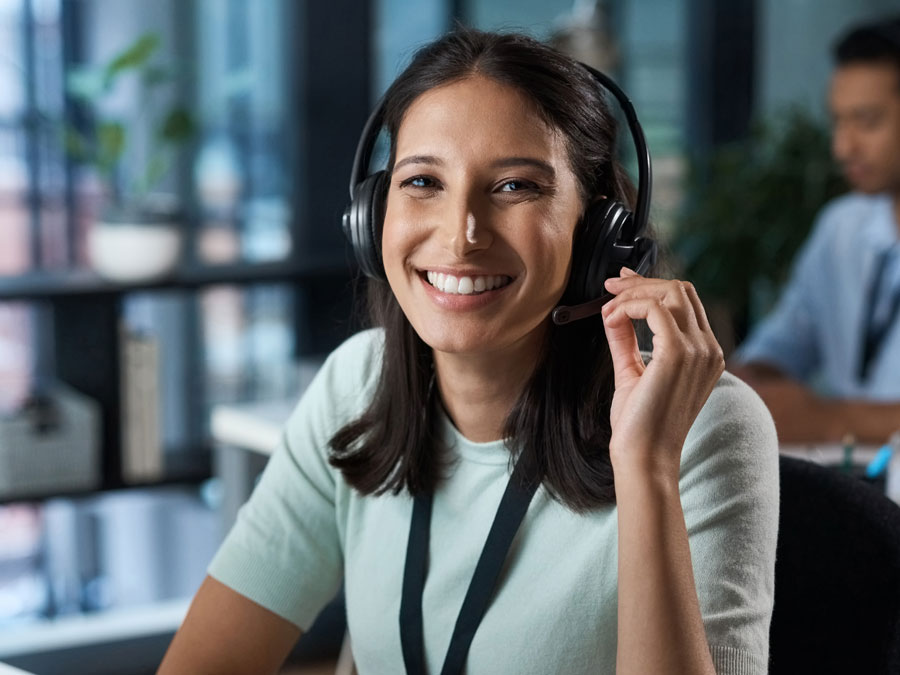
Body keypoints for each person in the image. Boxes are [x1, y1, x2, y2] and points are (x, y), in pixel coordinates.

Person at [158, 28, 777, 675]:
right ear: (373, 217)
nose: (460, 236)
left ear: (597, 233)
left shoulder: (705, 429)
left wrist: (647, 464)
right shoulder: (357, 384)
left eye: (514, 187)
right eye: (423, 180)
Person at [730, 15, 900, 445]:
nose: (843, 147)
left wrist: (828, 420)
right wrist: (741, 383)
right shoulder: (841, 227)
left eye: (867, 121)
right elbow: (781, 346)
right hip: (854, 489)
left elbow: (826, 418)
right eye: (839, 122)